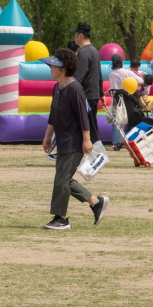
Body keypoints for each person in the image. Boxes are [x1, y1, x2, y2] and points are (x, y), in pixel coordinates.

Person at [41, 48, 107, 230]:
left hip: (73, 140)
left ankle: (60, 218)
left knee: (61, 180)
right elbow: (53, 114)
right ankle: (96, 202)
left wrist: (87, 139)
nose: (50, 68)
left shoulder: (75, 88)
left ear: (62, 68)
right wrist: (48, 135)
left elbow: (83, 116)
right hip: (62, 140)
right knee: (65, 178)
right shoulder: (58, 87)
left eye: (53, 65)